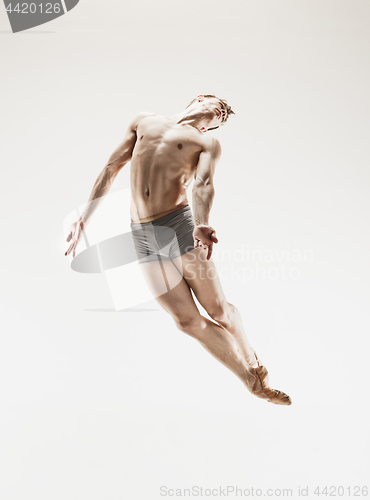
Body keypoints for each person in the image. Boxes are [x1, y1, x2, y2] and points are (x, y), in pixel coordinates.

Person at [65, 94, 292, 405]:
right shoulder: (144, 120)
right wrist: (84, 218)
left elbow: (203, 184)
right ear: (200, 99)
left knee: (218, 311)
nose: (220, 113)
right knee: (187, 322)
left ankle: (253, 359)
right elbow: (111, 167)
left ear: (214, 126)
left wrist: (202, 222)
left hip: (178, 226)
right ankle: (251, 381)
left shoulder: (206, 144)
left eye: (222, 116)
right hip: (142, 234)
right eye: (219, 106)